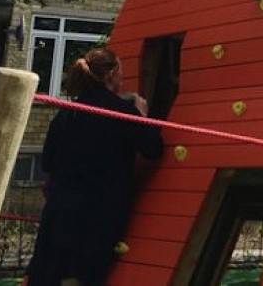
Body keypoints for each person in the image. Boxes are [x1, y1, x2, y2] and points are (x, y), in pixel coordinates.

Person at [26, 48, 163, 286]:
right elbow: (153, 149)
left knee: (48, 277)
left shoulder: (66, 115)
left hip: (58, 213)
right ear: (111, 75)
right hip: (96, 218)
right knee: (84, 277)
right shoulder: (122, 112)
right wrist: (141, 116)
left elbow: (47, 162)